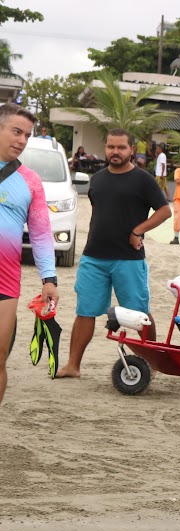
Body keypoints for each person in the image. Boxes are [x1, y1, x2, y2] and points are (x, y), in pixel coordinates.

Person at [55, 129, 171, 379]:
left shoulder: (143, 179)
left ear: (131, 150)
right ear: (105, 149)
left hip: (128, 259)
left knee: (139, 313)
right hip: (93, 258)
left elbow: (164, 211)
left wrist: (138, 230)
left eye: (121, 147)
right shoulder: (97, 179)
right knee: (85, 311)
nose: (115, 152)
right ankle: (73, 365)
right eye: (110, 147)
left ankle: (149, 362)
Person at [0, 104, 59, 405]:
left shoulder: (30, 181)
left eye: (27, 134)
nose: (22, 140)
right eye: (16, 131)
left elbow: (40, 233)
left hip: (5, 282)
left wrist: (49, 279)